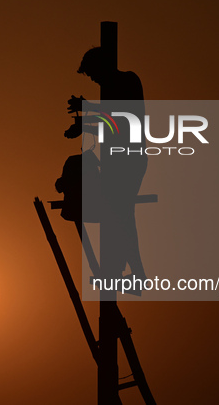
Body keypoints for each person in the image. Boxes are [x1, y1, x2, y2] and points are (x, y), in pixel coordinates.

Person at [65, 46, 148, 285]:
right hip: (121, 161)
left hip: (129, 160)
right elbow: (111, 124)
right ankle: (126, 270)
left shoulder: (128, 81)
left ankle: (134, 272)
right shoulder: (114, 89)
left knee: (121, 214)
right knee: (119, 215)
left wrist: (87, 110)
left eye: (93, 74)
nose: (94, 80)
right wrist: (85, 125)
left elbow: (120, 119)